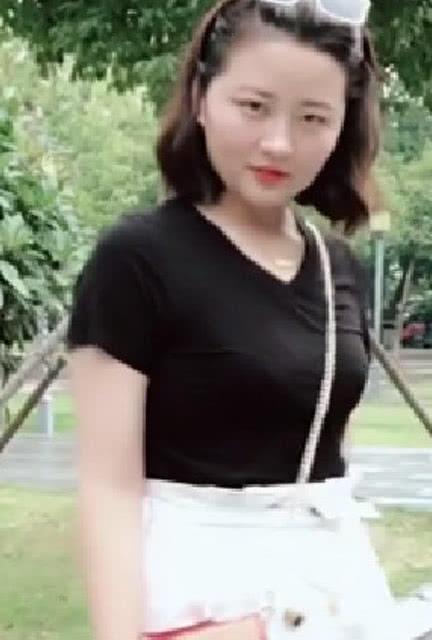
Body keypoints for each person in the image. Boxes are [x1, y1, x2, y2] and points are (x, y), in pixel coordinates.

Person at [67, 0, 403, 638]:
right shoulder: (137, 259)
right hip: (201, 593)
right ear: (201, 97)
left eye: (313, 118)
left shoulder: (336, 265)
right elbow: (108, 488)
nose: (279, 142)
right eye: (254, 107)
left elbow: (322, 448)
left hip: (330, 594)